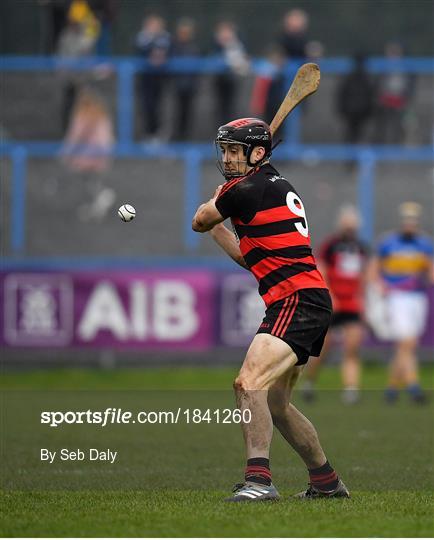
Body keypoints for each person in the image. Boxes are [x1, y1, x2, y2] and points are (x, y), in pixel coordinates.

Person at [192, 117, 349, 501]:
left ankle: (259, 482)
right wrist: (219, 225)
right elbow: (251, 257)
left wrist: (217, 205)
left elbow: (198, 219)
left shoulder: (245, 188)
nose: (227, 158)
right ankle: (327, 483)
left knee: (248, 383)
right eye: (224, 151)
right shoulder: (273, 186)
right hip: (305, 298)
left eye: (234, 151)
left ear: (257, 153)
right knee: (277, 404)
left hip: (296, 300)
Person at [302, 205, 371, 404]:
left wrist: (362, 299)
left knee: (352, 347)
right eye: (347, 226)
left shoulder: (361, 248)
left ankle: (351, 389)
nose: (350, 229)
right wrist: (330, 294)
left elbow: (364, 276)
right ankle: (310, 381)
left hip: (352, 304)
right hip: (333, 303)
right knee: (325, 347)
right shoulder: (331, 245)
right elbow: (321, 269)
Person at [368, 202, 433, 404]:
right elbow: (373, 270)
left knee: (406, 346)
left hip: (417, 298)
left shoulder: (424, 244)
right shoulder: (389, 242)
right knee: (407, 342)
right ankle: (414, 386)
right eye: (407, 221)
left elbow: (431, 273)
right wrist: (381, 287)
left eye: (413, 221)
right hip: (396, 298)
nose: (409, 225)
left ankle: (392, 389)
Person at [61, 86, 115, 221]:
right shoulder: (101, 114)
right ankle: (99, 200)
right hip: (102, 151)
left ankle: (101, 197)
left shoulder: (83, 114)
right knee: (93, 178)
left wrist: (66, 152)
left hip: (88, 152)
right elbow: (108, 136)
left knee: (85, 176)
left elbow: (76, 135)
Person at [135, 14, 171, 141]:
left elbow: (165, 49)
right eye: (151, 25)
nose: (154, 27)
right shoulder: (143, 37)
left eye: (156, 25)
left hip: (159, 78)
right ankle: (148, 133)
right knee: (146, 106)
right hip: (145, 78)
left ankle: (158, 133)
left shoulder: (164, 37)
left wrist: (158, 53)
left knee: (159, 105)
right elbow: (142, 49)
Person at [373, 42, 415, 145]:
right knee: (382, 126)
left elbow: (410, 87)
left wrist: (406, 99)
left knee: (401, 125)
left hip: (400, 101)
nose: (393, 55)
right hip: (385, 101)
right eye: (391, 52)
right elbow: (378, 86)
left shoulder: (406, 68)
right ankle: (382, 146)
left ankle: (397, 145)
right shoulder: (382, 68)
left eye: (395, 52)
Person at [213, 21, 249, 126]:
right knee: (220, 108)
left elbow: (243, 62)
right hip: (220, 82)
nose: (225, 34)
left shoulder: (238, 45)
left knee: (234, 107)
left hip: (236, 81)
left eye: (228, 32)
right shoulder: (216, 46)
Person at [336, 54, 375, 146]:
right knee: (353, 134)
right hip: (354, 110)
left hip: (358, 110)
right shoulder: (363, 77)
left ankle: (354, 155)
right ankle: (351, 155)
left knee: (356, 134)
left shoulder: (363, 77)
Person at [171, 18, 200, 141]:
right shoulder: (173, 47)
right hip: (177, 86)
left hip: (190, 86)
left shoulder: (194, 48)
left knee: (188, 113)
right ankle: (177, 138)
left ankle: (186, 137)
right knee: (176, 113)